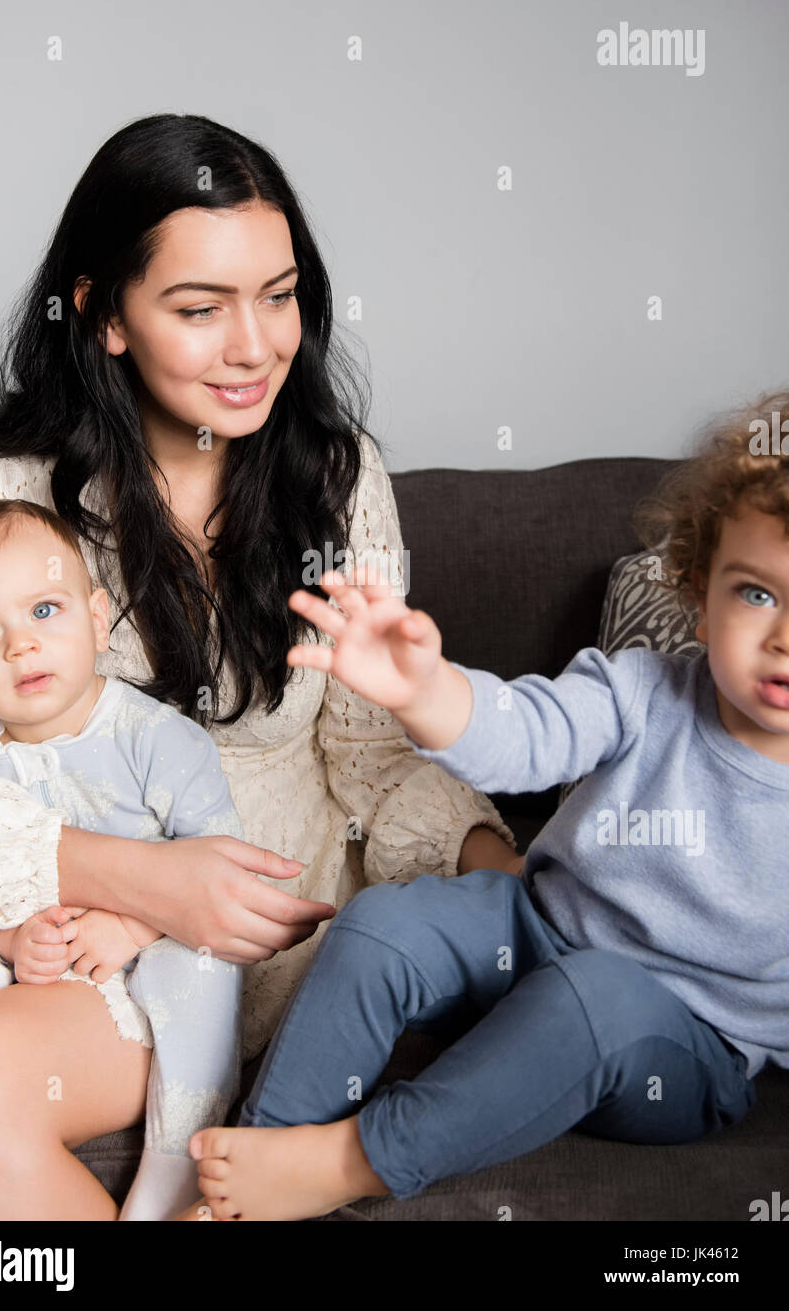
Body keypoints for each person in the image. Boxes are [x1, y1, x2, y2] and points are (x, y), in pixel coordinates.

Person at [0, 112, 516, 1219]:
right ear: (102, 316)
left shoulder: (337, 477)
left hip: (263, 950)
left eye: (279, 295)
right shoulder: (7, 492)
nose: (256, 346)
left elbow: (369, 757)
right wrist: (135, 877)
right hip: (58, 949)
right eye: (200, 309)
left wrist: (502, 867)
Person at [187, 390, 789, 1222]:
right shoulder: (644, 692)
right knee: (379, 926)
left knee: (594, 999)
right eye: (757, 593)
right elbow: (527, 733)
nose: (782, 635)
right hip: (533, 929)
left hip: (677, 1039)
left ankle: (353, 1159)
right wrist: (426, 691)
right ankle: (251, 1181)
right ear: (698, 587)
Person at [0, 496, 248, 1221]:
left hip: (140, 998)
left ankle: (178, 1159)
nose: (20, 646)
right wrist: (10, 938)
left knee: (196, 976)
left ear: (98, 619)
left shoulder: (155, 740)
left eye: (44, 611)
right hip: (33, 1000)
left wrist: (137, 927)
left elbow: (226, 871)